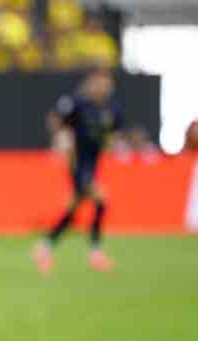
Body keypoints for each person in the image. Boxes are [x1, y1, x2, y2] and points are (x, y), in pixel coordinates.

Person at [33, 68, 123, 275]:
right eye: (100, 82)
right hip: (77, 164)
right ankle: (95, 252)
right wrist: (60, 139)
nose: (104, 87)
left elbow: (113, 135)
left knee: (72, 213)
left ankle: (44, 248)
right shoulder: (77, 103)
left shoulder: (111, 110)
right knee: (101, 200)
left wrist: (111, 143)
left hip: (92, 164)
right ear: (92, 82)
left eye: (107, 84)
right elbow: (55, 119)